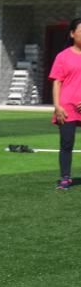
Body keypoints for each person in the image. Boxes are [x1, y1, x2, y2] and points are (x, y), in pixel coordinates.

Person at [50, 17, 81, 190]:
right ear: (72, 34)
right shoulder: (62, 56)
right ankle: (65, 178)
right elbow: (57, 82)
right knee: (67, 143)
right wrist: (57, 106)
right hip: (66, 107)